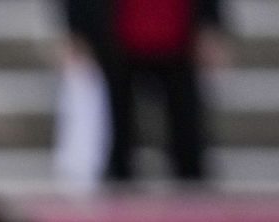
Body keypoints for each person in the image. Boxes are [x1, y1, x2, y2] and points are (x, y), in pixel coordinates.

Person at [60, 0, 229, 185]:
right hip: (116, 39)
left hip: (177, 37)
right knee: (117, 135)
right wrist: (76, 29)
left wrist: (211, 24)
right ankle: (118, 193)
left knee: (188, 134)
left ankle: (193, 193)